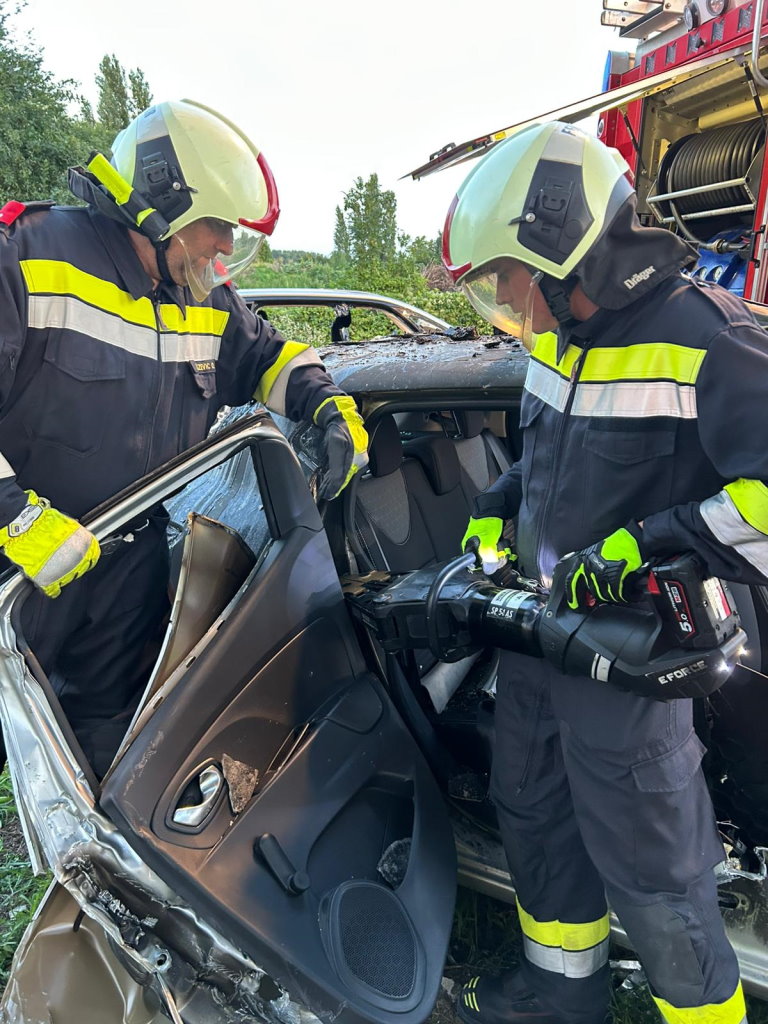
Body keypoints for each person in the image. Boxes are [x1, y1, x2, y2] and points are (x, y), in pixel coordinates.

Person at [442, 121, 767, 1024]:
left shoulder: (706, 338)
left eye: (505, 276)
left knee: (655, 872)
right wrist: (498, 502)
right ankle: (560, 994)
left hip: (632, 665)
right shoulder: (560, 334)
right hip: (542, 644)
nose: (502, 298)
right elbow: (544, 456)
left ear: (562, 255)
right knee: (535, 819)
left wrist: (650, 544)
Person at [0, 100, 368, 778]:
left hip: (123, 573)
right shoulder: (30, 256)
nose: (225, 246)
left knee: (100, 757)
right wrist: (15, 519)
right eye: (216, 225)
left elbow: (270, 357)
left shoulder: (200, 296)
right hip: (18, 566)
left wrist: (326, 405)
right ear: (160, 204)